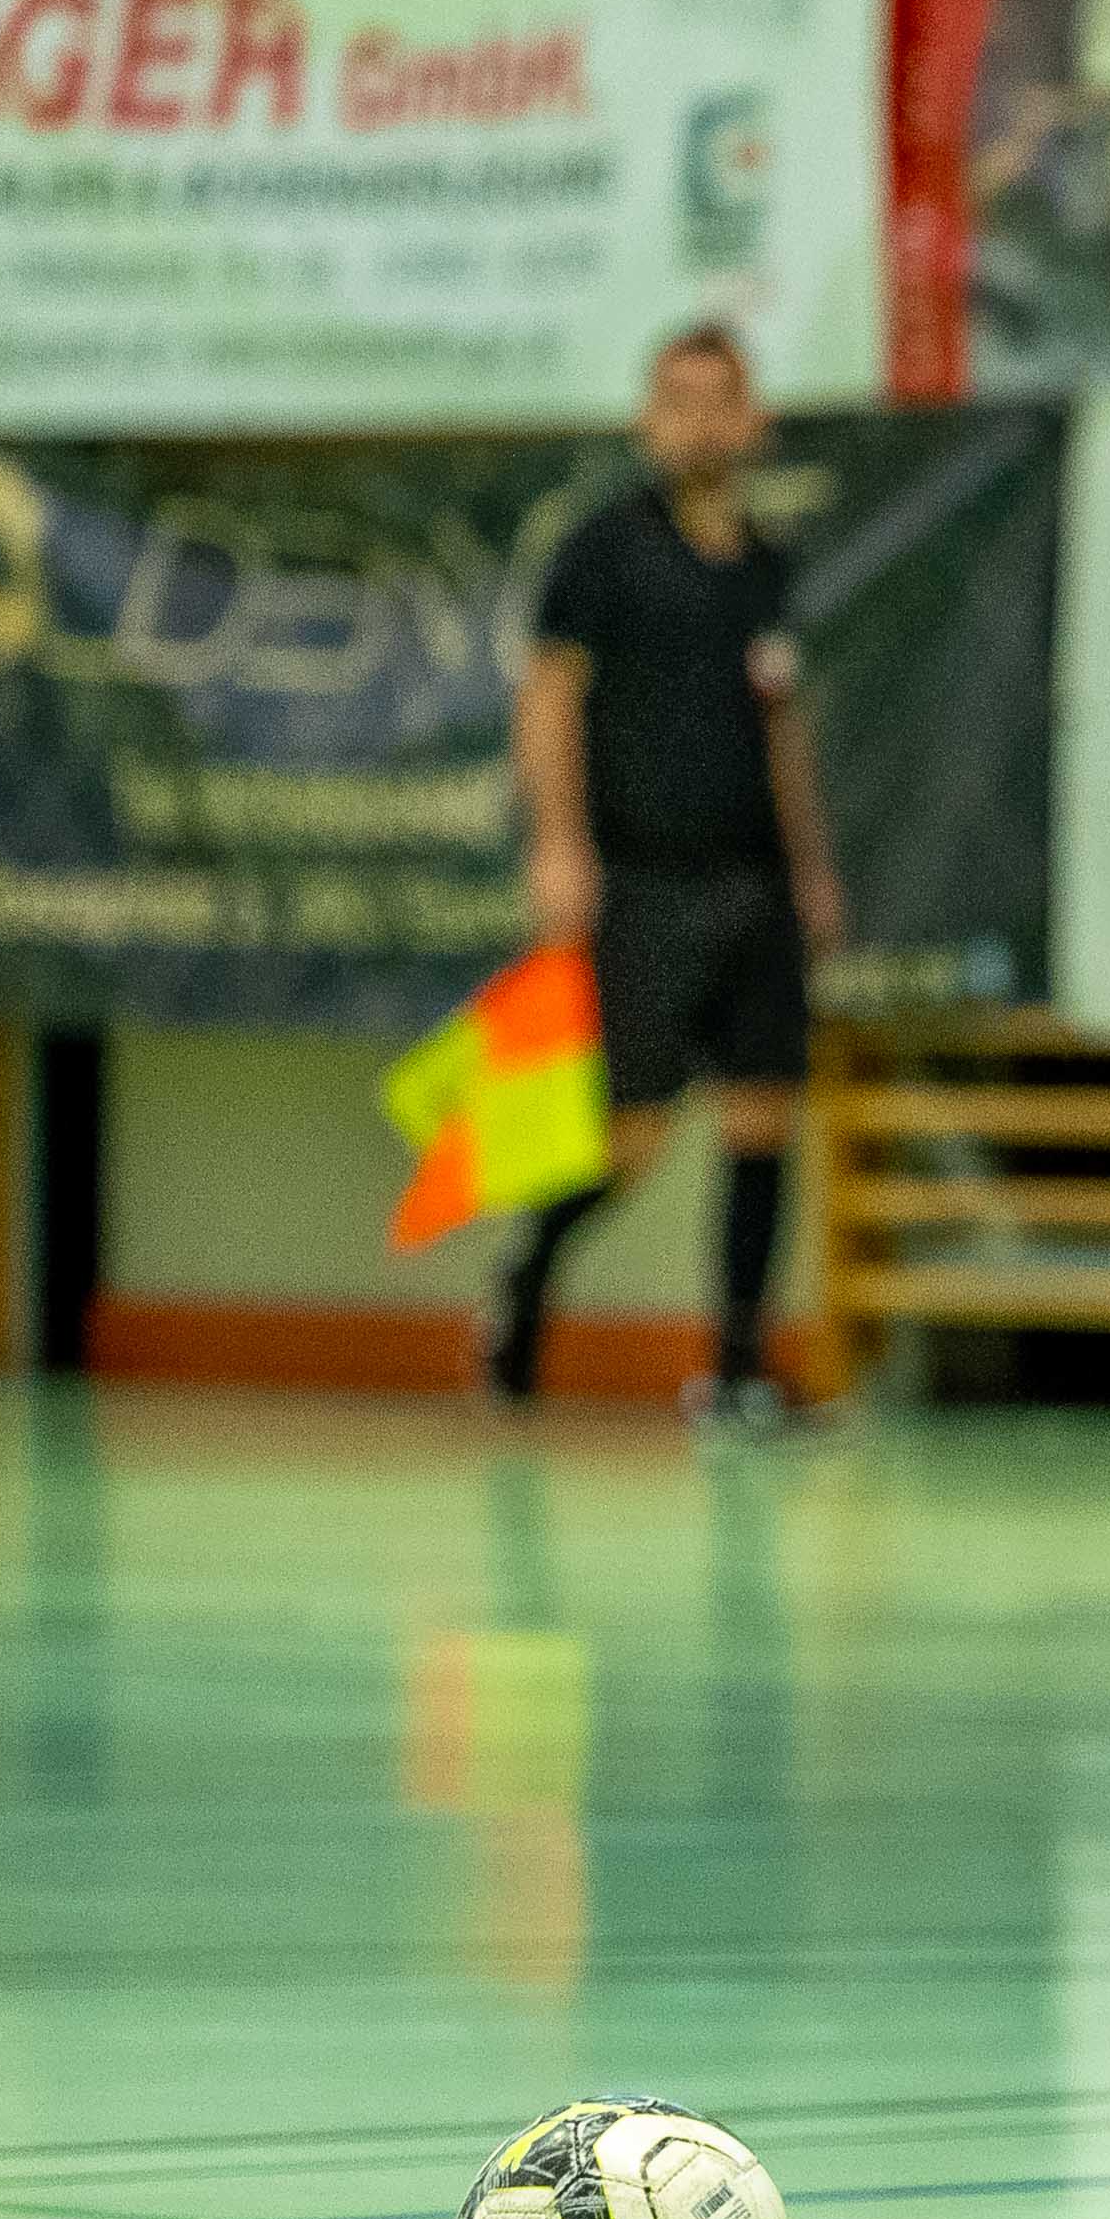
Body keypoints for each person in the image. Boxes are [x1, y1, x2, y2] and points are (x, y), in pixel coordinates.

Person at [491, 321, 846, 1434]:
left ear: (751, 420)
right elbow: (548, 698)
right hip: (645, 879)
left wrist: (811, 868)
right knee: (632, 1137)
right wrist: (558, 845)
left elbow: (782, 724)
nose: (697, 422)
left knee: (763, 1116)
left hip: (756, 883)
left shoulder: (767, 568)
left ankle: (737, 1374)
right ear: (649, 420)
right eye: (675, 399)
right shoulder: (602, 551)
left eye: (716, 399)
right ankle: (527, 1273)